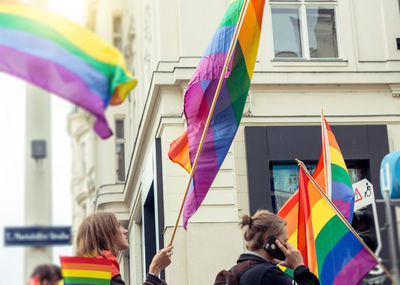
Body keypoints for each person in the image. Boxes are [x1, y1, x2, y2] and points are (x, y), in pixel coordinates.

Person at [75, 211, 173, 285]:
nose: (125, 231)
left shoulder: (85, 270)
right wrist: (155, 270)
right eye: (118, 225)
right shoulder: (102, 267)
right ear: (105, 233)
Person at [234, 210, 319, 285]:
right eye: (285, 241)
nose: (287, 245)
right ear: (269, 240)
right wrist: (299, 266)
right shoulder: (268, 274)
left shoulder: (239, 270)